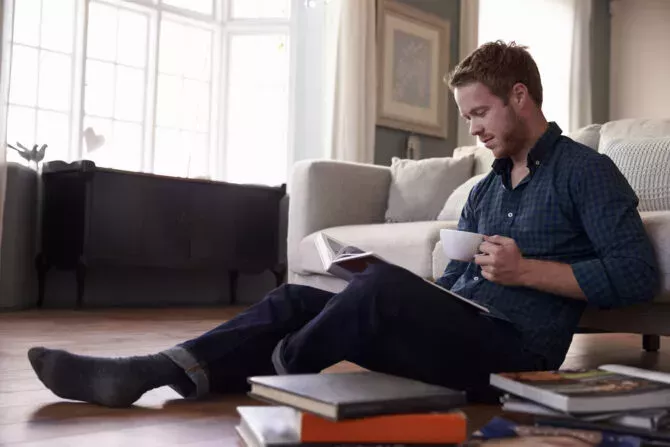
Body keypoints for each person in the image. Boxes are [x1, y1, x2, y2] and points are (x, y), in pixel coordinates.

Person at [27, 41, 659, 408]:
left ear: (521, 96)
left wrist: (526, 271)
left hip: (518, 357)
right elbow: (459, 280)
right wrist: (428, 284)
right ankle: (152, 371)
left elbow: (634, 274)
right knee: (300, 294)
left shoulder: (586, 172)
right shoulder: (488, 187)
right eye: (467, 117)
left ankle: (280, 379)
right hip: (460, 329)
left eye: (480, 113)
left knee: (378, 293)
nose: (473, 128)